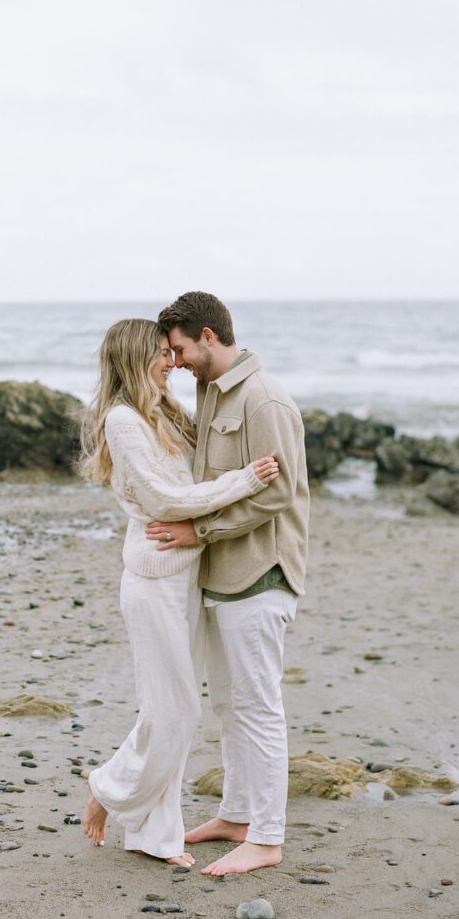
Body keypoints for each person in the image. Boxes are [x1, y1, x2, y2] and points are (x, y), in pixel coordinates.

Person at [79, 317, 280, 866]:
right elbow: (168, 501)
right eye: (162, 354)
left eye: (173, 352)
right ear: (134, 357)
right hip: (152, 581)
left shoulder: (164, 411)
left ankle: (154, 837)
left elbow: (192, 481)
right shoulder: (122, 421)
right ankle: (108, 789)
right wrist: (246, 481)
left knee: (171, 710)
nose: (172, 362)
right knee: (174, 712)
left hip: (185, 574)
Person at [146, 291, 309, 876]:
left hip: (261, 571)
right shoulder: (209, 392)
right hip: (222, 575)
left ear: (209, 337)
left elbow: (277, 493)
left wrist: (200, 531)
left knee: (259, 706)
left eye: (181, 348)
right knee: (229, 703)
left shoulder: (266, 401)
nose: (178, 359)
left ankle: (266, 839)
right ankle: (238, 815)